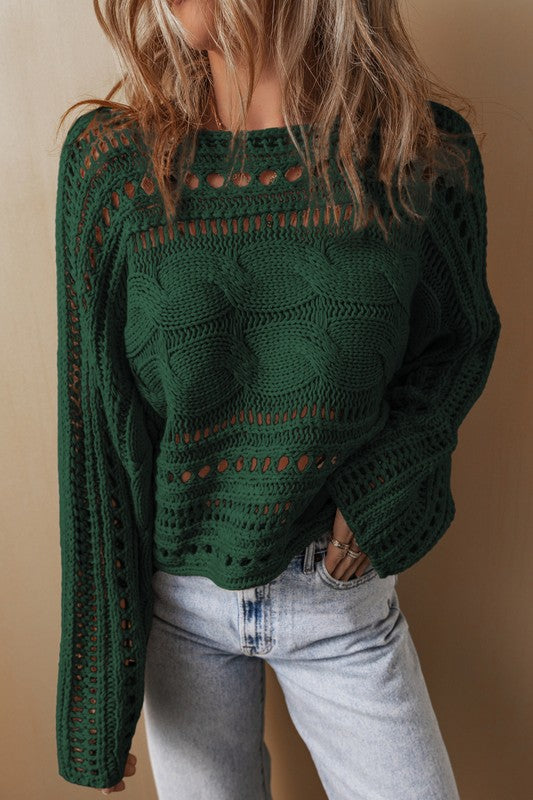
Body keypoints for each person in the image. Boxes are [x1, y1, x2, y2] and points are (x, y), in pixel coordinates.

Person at [53, 1, 501, 798]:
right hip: (179, 610)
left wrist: (383, 490)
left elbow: (457, 345)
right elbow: (95, 433)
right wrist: (98, 690)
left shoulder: (416, 154)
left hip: (337, 602)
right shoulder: (115, 166)